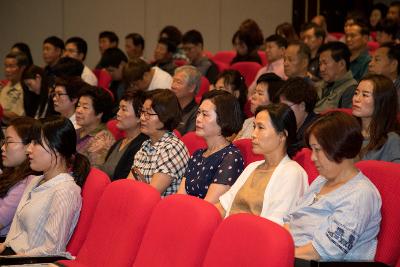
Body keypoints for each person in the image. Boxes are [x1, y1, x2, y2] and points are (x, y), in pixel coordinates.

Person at [283, 111, 381, 261]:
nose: (312, 157)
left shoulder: (360, 194)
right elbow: (291, 220)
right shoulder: (322, 180)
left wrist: (278, 254)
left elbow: (321, 252)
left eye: (317, 149)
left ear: (338, 147)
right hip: (292, 255)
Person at [0, 116, 91, 257]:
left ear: (56, 148)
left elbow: (52, 250)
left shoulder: (65, 191)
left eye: (36, 143)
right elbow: (17, 232)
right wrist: (4, 246)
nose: (29, 149)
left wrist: (11, 258)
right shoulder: (35, 181)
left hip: (26, 262)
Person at [216, 103, 308, 224]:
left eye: (261, 127)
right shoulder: (252, 167)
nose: (253, 134)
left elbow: (274, 226)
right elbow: (223, 207)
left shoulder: (292, 173)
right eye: (254, 127)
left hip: (255, 239)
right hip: (229, 231)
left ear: (282, 135)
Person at [177, 90, 244, 202]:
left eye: (205, 114)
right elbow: (180, 196)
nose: (198, 119)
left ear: (223, 119)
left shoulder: (231, 157)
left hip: (203, 217)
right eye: (198, 113)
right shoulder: (197, 154)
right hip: (185, 212)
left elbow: (209, 206)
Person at [128, 89, 189, 196]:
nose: (142, 118)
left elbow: (150, 195)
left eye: (149, 113)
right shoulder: (145, 145)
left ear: (165, 116)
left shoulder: (173, 148)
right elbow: (129, 184)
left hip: (163, 210)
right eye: (142, 111)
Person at [0, 117, 38, 240]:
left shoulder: (25, 183)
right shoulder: (11, 173)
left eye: (9, 142)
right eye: (3, 142)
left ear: (29, 146)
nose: (3, 148)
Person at [102, 89, 148, 180]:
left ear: (140, 116)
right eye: (119, 108)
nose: (118, 113)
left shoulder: (143, 146)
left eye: (124, 109)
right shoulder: (118, 143)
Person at [352, 74, 400, 162]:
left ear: (382, 101)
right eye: (356, 93)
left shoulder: (392, 140)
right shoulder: (346, 131)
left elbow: (395, 174)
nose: (356, 99)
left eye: (365, 95)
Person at [235, 73, 284, 140]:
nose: (253, 97)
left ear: (273, 100)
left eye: (260, 93)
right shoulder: (248, 122)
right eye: (254, 92)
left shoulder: (274, 127)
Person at [76, 86, 115, 167]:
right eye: (78, 105)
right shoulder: (78, 131)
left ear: (99, 113)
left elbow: (95, 173)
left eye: (85, 107)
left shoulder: (102, 141)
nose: (78, 110)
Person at [314, 42, 357, 113]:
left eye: (325, 63)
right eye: (320, 64)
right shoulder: (319, 85)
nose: (321, 69)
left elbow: (346, 121)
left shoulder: (351, 90)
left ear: (341, 64)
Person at [278, 77, 319, 151]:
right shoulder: (290, 129)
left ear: (302, 106)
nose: (282, 111)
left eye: (286, 107)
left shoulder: (314, 132)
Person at [171, 65, 201, 135]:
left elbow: (187, 140)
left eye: (178, 82)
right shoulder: (168, 105)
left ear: (191, 88)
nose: (172, 86)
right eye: (173, 81)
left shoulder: (197, 114)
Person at [0, 52, 30, 122]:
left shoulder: (26, 88)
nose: (7, 70)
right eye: (6, 66)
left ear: (22, 68)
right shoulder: (5, 85)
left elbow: (19, 118)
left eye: (11, 66)